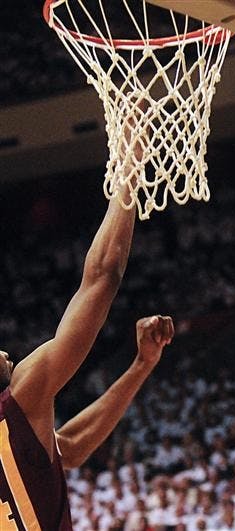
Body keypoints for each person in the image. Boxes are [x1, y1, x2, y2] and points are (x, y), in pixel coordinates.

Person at [0, 133, 174, 528]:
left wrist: (140, 366)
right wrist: (129, 167)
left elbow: (72, 448)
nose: (5, 351)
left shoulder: (23, 421)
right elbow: (101, 279)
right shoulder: (21, 399)